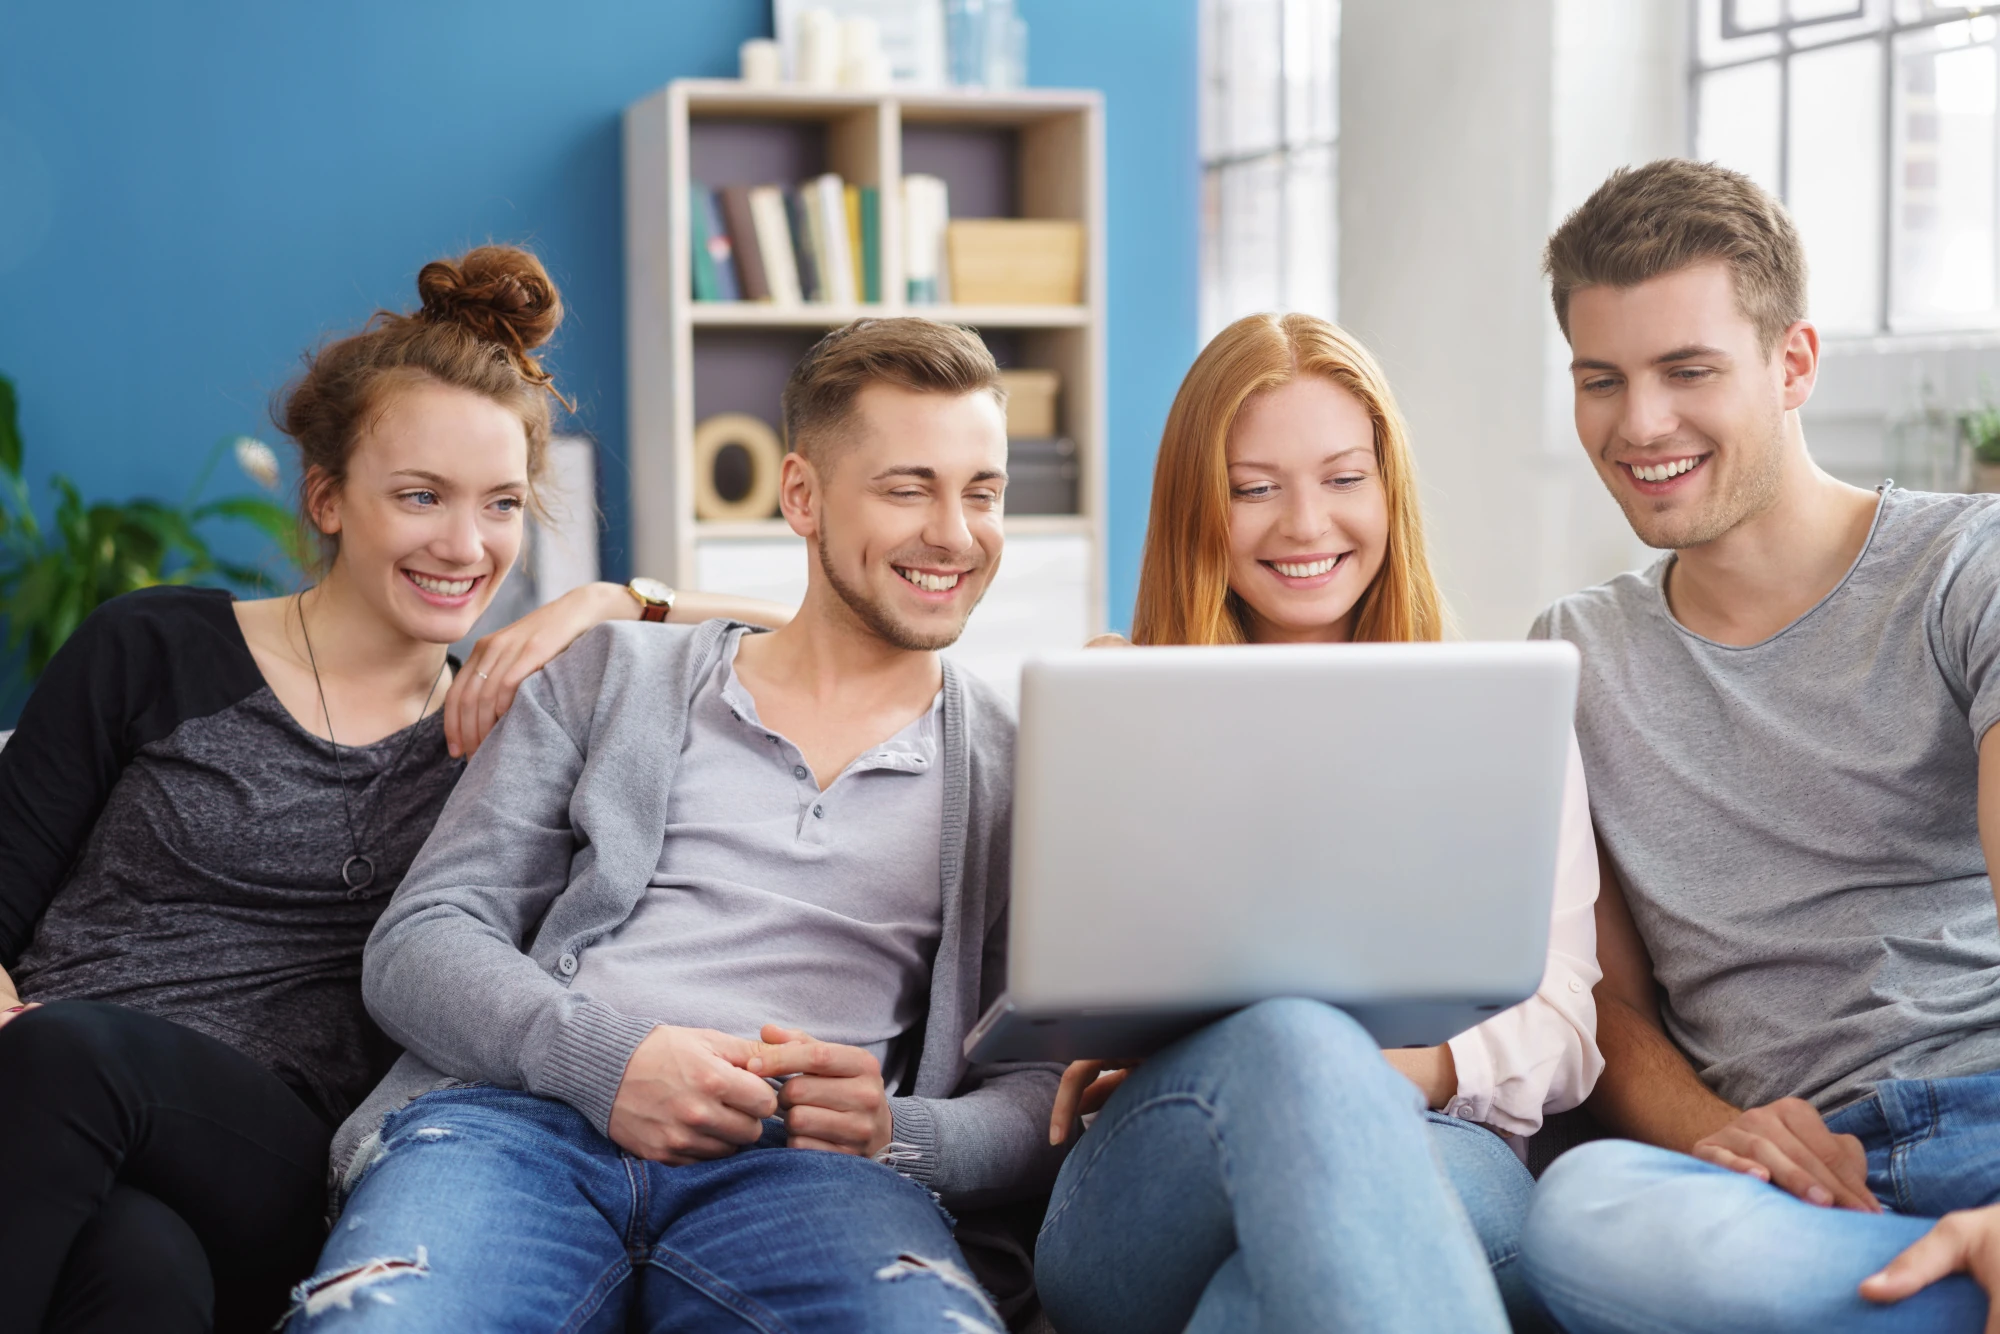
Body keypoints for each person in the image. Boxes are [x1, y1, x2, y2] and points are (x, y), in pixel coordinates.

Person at [0, 244, 787, 1334]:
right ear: (326, 496)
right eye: (420, 496)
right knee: (138, 1269)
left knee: (70, 1056)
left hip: (270, 1144)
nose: (466, 546)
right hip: (50, 1106)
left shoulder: (516, 727)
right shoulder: (151, 647)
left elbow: (840, 637)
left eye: (502, 503)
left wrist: (620, 598)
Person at [284, 317, 1059, 1334]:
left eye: (982, 491)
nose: (954, 532)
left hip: (807, 1174)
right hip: (516, 1131)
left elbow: (1041, 1085)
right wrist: (608, 1064)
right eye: (908, 487)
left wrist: (898, 1130)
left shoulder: (1015, 763)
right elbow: (419, 942)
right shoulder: (612, 677)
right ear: (801, 495)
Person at [1031, 311, 1602, 1334]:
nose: (1304, 524)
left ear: (1389, 489)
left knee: (1263, 1296)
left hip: (1440, 1142)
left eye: (1342, 478)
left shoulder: (1492, 713)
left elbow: (1561, 1024)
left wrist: (1369, 1071)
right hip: (1161, 1166)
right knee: (1290, 1049)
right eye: (1254, 487)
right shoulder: (1112, 695)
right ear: (1196, 505)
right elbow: (1047, 1004)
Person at [1516, 158, 2000, 1332]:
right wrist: (1708, 1129)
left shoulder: (1964, 570)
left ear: (1791, 363)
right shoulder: (1570, 656)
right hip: (1776, 1187)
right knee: (1579, 1218)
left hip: (1986, 1119)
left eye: (1687, 371)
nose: (1639, 425)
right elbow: (1601, 1001)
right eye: (1600, 379)